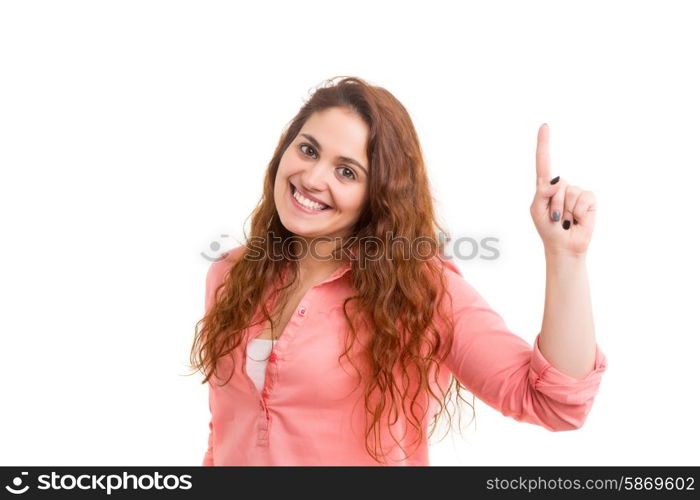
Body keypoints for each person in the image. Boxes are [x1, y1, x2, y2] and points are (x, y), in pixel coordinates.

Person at [189, 76, 608, 466]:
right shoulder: (231, 274)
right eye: (309, 149)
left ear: (379, 194)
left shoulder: (420, 290)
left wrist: (565, 257)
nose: (313, 178)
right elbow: (224, 433)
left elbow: (554, 402)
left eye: (347, 171)